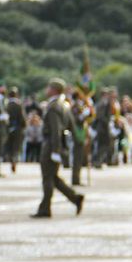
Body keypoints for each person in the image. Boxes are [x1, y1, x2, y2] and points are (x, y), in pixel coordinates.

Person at [31, 79, 83, 218]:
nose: (46, 90)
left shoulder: (54, 106)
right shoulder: (64, 105)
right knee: (53, 177)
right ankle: (75, 198)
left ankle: (45, 209)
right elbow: (71, 126)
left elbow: (56, 130)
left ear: (54, 90)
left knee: (47, 178)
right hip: (57, 144)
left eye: (49, 87)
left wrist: (55, 150)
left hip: (51, 145)